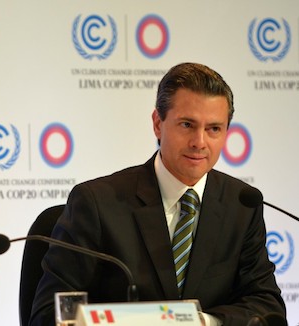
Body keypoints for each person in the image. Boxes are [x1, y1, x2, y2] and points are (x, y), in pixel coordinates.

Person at [29, 63, 286, 326]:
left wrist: (205, 322)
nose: (200, 142)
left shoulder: (242, 204)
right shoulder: (97, 203)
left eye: (214, 129)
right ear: (157, 124)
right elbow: (49, 314)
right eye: (187, 124)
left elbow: (266, 306)